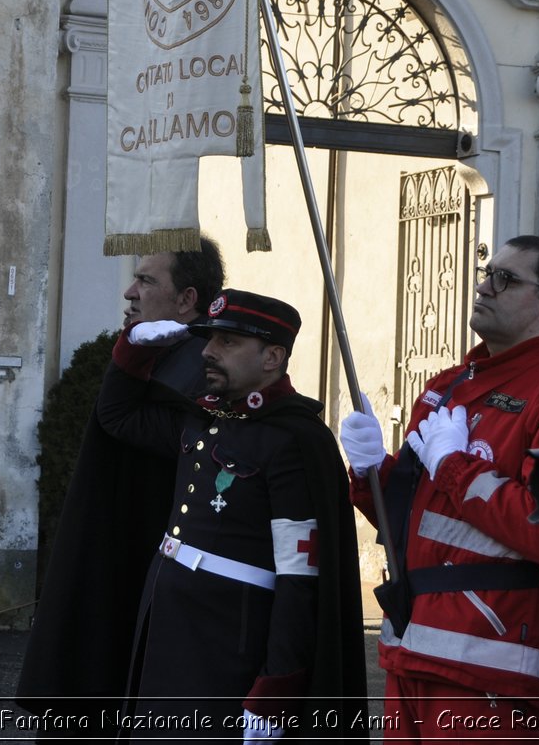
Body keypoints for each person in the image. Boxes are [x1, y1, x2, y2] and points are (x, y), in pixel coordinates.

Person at [337, 235, 539, 740]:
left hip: (489, 654)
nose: (484, 287)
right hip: (412, 642)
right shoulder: (448, 385)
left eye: (505, 279)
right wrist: (371, 472)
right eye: (486, 273)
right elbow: (414, 519)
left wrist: (455, 466)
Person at [96, 287, 366, 741]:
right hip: (166, 629)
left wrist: (275, 689)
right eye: (209, 339)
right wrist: (133, 347)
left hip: (228, 646)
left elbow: (300, 579)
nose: (208, 352)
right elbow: (116, 414)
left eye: (228, 342)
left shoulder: (294, 439)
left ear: (272, 356)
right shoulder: (201, 419)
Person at [16, 240, 223, 735]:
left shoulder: (196, 370)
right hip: (107, 565)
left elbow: (121, 420)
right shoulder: (154, 352)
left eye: (147, 281)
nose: (130, 293)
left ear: (186, 298)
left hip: (146, 575)